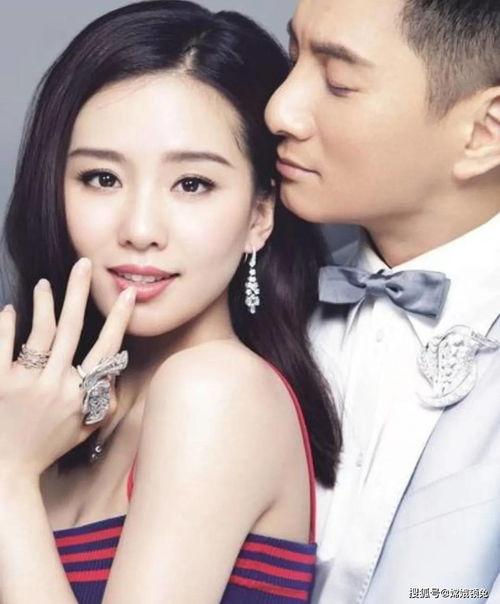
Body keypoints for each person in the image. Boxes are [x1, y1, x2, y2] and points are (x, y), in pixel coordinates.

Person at [0, 2, 342, 602]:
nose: (140, 229)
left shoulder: (217, 391)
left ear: (259, 215)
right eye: (102, 178)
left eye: (192, 184)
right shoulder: (44, 410)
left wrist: (6, 472)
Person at [265, 0, 500, 602]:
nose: (278, 110)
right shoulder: (257, 303)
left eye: (338, 81)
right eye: (293, 58)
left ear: (484, 132)